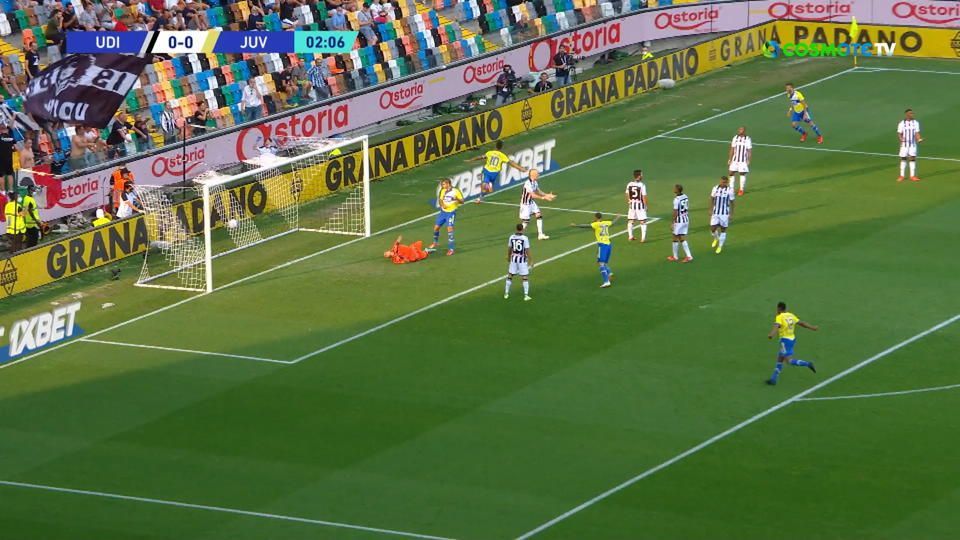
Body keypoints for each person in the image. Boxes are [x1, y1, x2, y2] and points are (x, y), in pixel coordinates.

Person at [766, 301, 818, 385]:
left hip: (785, 341)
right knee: (780, 358)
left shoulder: (779, 317)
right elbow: (801, 323)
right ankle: (773, 379)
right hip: (792, 339)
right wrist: (812, 327)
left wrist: (771, 335)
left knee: (788, 360)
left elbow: (776, 326)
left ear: (779, 308)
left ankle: (807, 364)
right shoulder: (791, 315)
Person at [572, 212, 615, 288]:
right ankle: (609, 273)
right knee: (602, 262)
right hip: (608, 245)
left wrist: (575, 225)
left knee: (601, 264)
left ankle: (606, 281)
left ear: (595, 217)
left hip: (602, 246)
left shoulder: (596, 224)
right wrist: (617, 217)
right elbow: (613, 222)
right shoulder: (606, 222)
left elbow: (586, 226)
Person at [429, 178, 463, 256]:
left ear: (448, 184)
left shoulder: (456, 191)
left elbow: (462, 201)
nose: (442, 185)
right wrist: (442, 205)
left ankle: (451, 249)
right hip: (443, 212)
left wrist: (456, 199)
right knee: (436, 228)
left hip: (451, 213)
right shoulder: (443, 190)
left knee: (450, 229)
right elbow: (440, 200)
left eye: (443, 184)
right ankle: (435, 242)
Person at [518, 169, 555, 240]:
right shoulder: (527, 184)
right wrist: (543, 198)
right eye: (537, 173)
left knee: (539, 215)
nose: (539, 175)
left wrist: (547, 195)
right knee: (526, 222)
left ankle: (540, 234)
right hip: (525, 205)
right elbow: (532, 195)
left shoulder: (535, 182)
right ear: (533, 175)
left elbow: (538, 191)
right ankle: (518, 235)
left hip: (531, 202)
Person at [504, 223, 532, 301]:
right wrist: (531, 260)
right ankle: (526, 295)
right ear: (522, 229)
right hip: (522, 260)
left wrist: (508, 257)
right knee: (524, 277)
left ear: (516, 229)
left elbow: (509, 248)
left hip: (513, 259)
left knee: (510, 275)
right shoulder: (525, 238)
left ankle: (506, 293)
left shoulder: (511, 237)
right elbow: (527, 250)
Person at [709, 175, 735, 254]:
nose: (723, 184)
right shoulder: (715, 188)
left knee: (723, 230)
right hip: (715, 212)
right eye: (722, 182)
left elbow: (732, 202)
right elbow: (711, 198)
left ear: (727, 182)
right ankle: (716, 238)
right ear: (720, 181)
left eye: (725, 182)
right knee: (712, 229)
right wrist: (710, 209)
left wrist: (731, 214)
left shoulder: (730, 190)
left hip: (724, 213)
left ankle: (720, 246)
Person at [668, 183, 692, 263]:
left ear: (677, 190)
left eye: (675, 188)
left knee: (676, 237)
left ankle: (686, 256)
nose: (673, 189)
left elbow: (675, 212)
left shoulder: (676, 200)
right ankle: (678, 256)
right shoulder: (685, 196)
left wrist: (672, 222)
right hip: (685, 218)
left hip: (679, 220)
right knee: (679, 237)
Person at [897, 108, 922, 182]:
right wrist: (901, 139)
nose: (912, 114)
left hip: (912, 144)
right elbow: (899, 133)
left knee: (912, 158)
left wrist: (919, 139)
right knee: (903, 158)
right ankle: (902, 176)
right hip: (904, 144)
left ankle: (912, 176)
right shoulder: (902, 123)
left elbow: (917, 133)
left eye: (912, 113)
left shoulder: (916, 123)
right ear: (906, 114)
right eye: (910, 113)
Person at [624, 169, 648, 242]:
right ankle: (643, 238)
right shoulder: (642, 185)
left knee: (631, 220)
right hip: (640, 205)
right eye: (641, 174)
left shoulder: (630, 184)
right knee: (643, 221)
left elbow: (627, 193)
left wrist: (629, 201)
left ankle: (630, 236)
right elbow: (644, 196)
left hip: (632, 205)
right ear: (639, 176)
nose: (642, 176)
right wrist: (645, 205)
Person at [727, 126, 752, 195]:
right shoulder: (735, 138)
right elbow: (732, 149)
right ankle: (731, 189)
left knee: (742, 173)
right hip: (735, 160)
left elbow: (749, 150)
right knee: (731, 173)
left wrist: (748, 160)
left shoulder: (747, 139)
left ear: (744, 131)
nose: (740, 131)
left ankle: (741, 189)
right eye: (739, 129)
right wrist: (730, 159)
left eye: (742, 130)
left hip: (743, 160)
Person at [0, 123, 16, 194]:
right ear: (6, 130)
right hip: (9, 159)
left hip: (1, 159)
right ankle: (11, 190)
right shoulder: (11, 138)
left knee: (1, 175)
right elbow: (15, 148)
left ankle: (3, 191)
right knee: (9, 174)